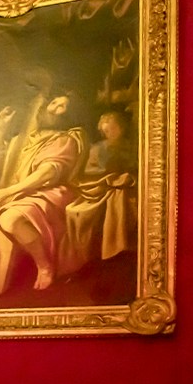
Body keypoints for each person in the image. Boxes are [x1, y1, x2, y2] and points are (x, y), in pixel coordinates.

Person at [0, 90, 85, 294]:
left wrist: (9, 191)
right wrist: (1, 129)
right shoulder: (25, 138)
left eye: (61, 106)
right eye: (53, 103)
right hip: (17, 192)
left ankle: (44, 266)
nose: (53, 108)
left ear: (70, 114)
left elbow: (46, 174)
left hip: (48, 193)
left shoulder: (65, 139)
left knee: (10, 218)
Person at [59, 109, 138, 276]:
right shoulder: (97, 149)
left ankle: (117, 250)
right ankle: (85, 258)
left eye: (114, 128)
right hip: (98, 186)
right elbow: (89, 170)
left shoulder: (132, 147)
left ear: (122, 128)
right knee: (75, 211)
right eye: (107, 130)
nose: (111, 133)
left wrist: (123, 175)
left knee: (118, 198)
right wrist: (106, 172)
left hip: (119, 186)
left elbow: (135, 168)